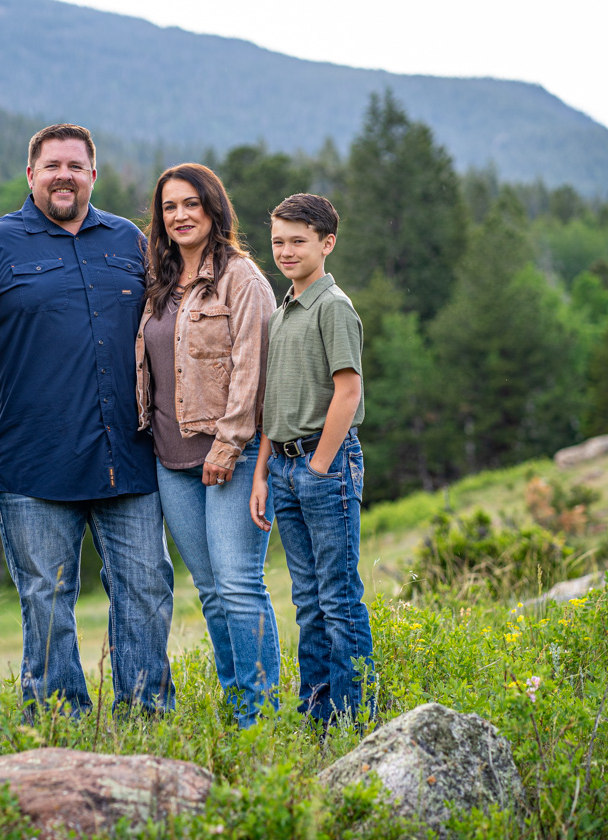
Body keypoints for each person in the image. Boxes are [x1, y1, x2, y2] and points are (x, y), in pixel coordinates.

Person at [0, 124, 175, 715]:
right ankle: (60, 723)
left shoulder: (129, 240)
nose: (64, 175)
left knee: (146, 591)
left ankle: (145, 718)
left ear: (93, 174)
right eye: (52, 165)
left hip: (127, 457)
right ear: (31, 174)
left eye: (76, 166)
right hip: (35, 463)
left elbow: (175, 326)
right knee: (46, 601)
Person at [133, 163, 279, 727]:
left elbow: (255, 366)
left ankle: (261, 716)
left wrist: (230, 441)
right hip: (170, 460)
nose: (180, 215)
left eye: (191, 204)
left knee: (240, 585)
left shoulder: (241, 278)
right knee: (212, 591)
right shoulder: (160, 281)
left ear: (214, 209)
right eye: (170, 207)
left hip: (231, 457)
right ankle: (239, 702)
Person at [249, 193, 375, 727]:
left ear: (327, 243)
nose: (285, 250)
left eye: (298, 241)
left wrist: (320, 466)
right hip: (282, 467)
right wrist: (263, 473)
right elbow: (271, 405)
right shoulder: (283, 313)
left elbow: (347, 391)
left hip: (323, 466)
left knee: (340, 598)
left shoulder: (333, 307)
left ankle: (353, 719)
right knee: (309, 602)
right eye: (278, 241)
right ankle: (317, 718)